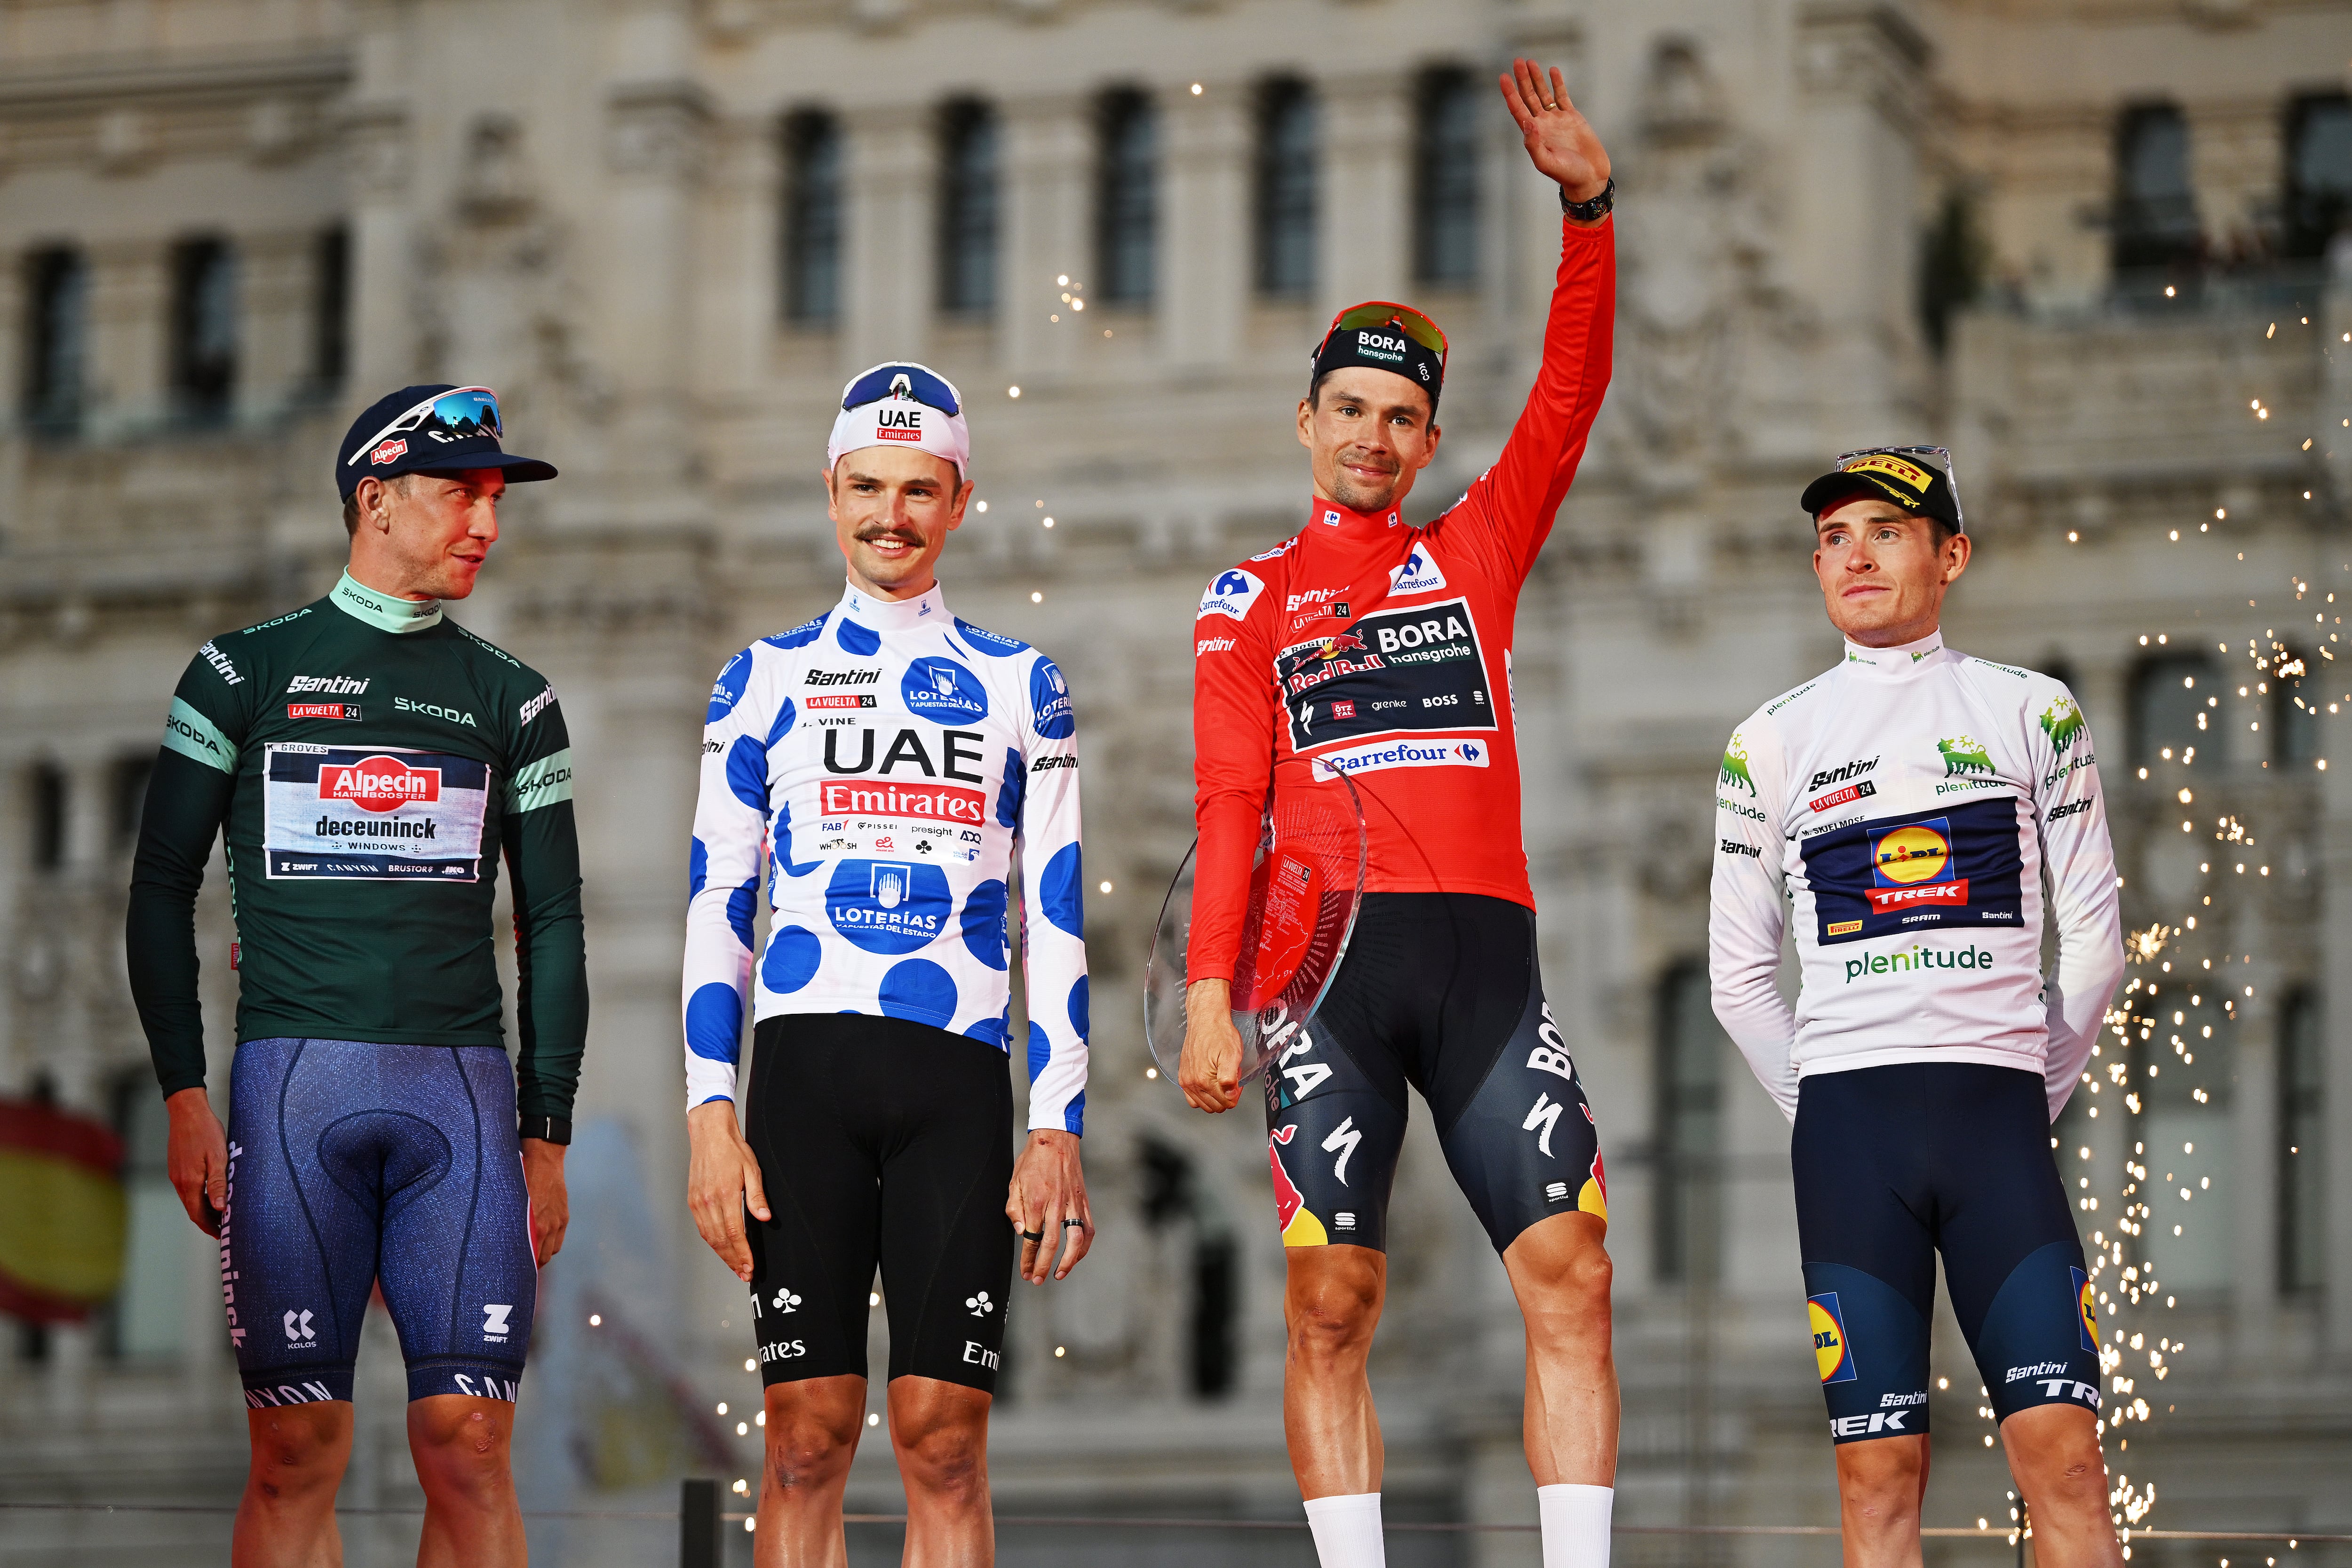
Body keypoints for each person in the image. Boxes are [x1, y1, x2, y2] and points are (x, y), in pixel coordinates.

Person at [1179, 60, 1619, 1568]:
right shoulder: (1246, 601)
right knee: (1330, 1300)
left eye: (1405, 416)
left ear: (1432, 443)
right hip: (1327, 983)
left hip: (1488, 962)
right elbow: (1232, 796)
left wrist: (1588, 209)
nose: (1376, 434)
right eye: (1352, 407)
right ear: (1307, 420)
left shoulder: (1476, 550)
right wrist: (1209, 992)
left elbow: (1567, 401)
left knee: (1569, 1268)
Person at [127, 384, 583, 1568]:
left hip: (464, 1106)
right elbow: (159, 889)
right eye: (459, 494)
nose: (485, 522)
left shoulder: (515, 697)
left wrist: (548, 1133)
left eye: (496, 500)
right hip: (290, 1093)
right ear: (373, 500)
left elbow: (553, 920)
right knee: (296, 1452)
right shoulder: (239, 672)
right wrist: (184, 1093)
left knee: (472, 1444)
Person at [681, 361, 1093, 1567]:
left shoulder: (1026, 683)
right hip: (802, 1074)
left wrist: (1059, 1120)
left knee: (945, 1440)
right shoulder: (758, 676)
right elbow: (720, 898)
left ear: (960, 499)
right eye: (867, 486)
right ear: (830, 491)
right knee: (805, 1436)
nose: (890, 515)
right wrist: (711, 1112)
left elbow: (1056, 917)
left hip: (957, 1080)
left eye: (919, 490)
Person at [1708, 447, 2127, 1567]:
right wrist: (1828, 1103)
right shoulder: (1770, 739)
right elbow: (1737, 977)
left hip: (2000, 1119)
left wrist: (2026, 1083)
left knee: (2066, 1457)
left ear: (1952, 555)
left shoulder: (2033, 712)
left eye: (1885, 532)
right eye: (1835, 537)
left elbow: (2093, 942)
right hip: (1850, 1132)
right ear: (1813, 566)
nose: (1855, 554)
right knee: (1876, 1475)